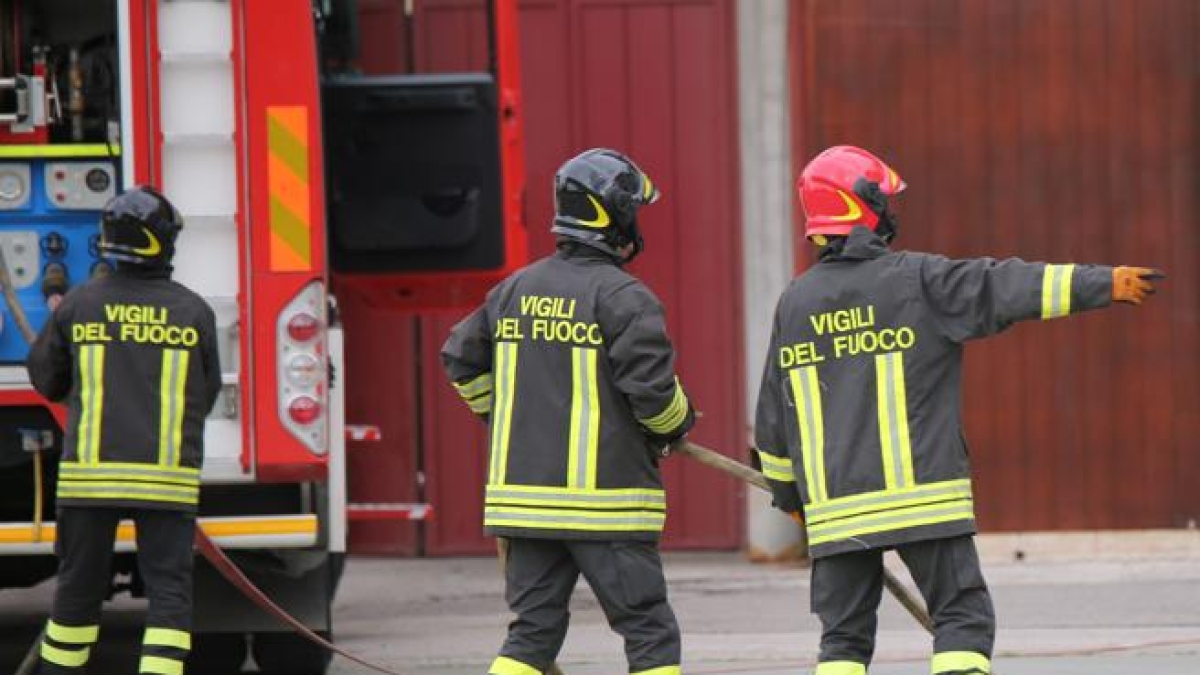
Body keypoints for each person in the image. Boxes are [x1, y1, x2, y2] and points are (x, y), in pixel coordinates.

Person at [753, 145, 1163, 675]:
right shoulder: (917, 281)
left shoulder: (795, 303)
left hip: (836, 517)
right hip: (923, 505)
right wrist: (1102, 283)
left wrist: (792, 499)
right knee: (962, 622)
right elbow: (1004, 287)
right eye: (883, 200)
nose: (890, 210)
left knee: (843, 643)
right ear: (862, 205)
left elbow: (773, 421)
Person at [442, 148, 696, 675]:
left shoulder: (515, 289)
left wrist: (502, 415)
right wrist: (677, 424)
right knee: (648, 630)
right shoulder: (625, 297)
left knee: (532, 634)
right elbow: (653, 396)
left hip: (525, 507)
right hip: (607, 505)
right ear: (615, 213)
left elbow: (460, 360)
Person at [27, 186, 221, 675]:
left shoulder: (78, 305)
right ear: (163, 242)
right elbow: (207, 393)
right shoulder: (193, 312)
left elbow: (47, 381)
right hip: (166, 485)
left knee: (76, 595)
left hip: (88, 485)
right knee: (169, 596)